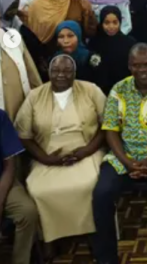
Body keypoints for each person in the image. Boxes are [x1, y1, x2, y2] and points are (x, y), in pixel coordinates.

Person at [92, 44, 147, 264]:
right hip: (124, 156)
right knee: (101, 194)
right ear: (129, 66)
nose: (142, 70)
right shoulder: (118, 89)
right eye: (136, 65)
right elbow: (110, 129)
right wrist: (127, 161)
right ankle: (106, 258)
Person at [15, 55, 106, 246]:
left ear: (75, 73)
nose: (61, 75)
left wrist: (86, 151)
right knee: (38, 189)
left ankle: (93, 233)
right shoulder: (34, 96)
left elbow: (107, 126)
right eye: (55, 71)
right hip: (47, 153)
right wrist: (46, 159)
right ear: (48, 72)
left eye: (67, 71)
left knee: (89, 184)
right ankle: (49, 239)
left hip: (86, 148)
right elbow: (24, 135)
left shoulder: (91, 90)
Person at [1, 108, 39, 264]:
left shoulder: (1, 117)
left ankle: (21, 260)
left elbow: (9, 165)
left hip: (3, 181)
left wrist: (0, 201)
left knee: (27, 211)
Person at [88, 6, 136, 95]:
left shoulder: (129, 43)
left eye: (115, 22)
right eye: (107, 23)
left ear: (120, 22)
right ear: (101, 23)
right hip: (100, 92)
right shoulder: (94, 43)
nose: (111, 26)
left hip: (124, 91)